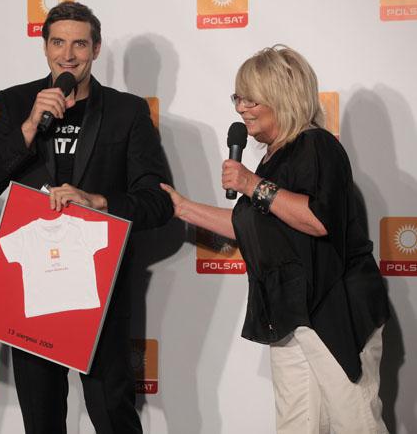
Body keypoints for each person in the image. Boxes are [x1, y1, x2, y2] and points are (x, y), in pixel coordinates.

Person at [161, 45, 390, 433]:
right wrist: (182, 208)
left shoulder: (317, 146)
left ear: (283, 97)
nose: (242, 108)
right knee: (296, 425)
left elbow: (318, 219)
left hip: (333, 312)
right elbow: (247, 226)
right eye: (238, 98)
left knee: (355, 423)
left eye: (251, 99)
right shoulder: (272, 159)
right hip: (289, 315)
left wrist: (251, 183)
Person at [0, 1, 172, 433]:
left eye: (80, 44)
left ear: (95, 49)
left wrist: (97, 201)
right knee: (41, 421)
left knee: (112, 415)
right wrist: (28, 125)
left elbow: (157, 202)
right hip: (31, 294)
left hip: (99, 291)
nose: (68, 54)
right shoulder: (15, 102)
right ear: (45, 47)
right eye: (58, 43)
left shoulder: (127, 111)